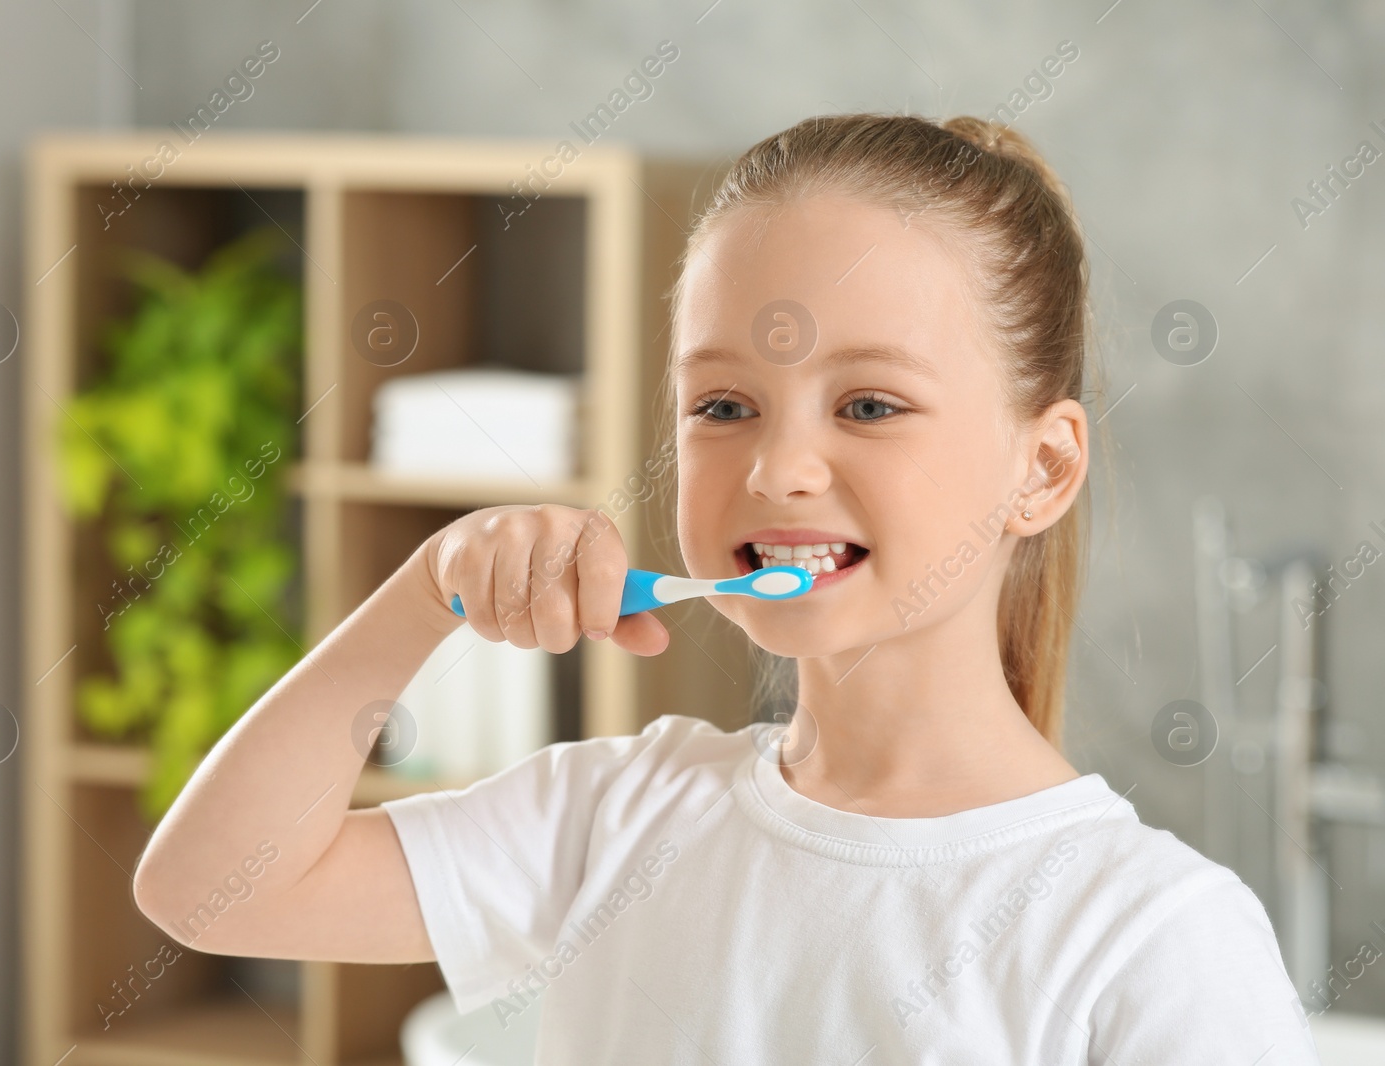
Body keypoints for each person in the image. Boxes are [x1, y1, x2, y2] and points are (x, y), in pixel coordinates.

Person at [132, 113, 1321, 1063]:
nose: (777, 467)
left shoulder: (1147, 935)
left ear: (1043, 464)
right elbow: (208, 891)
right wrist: (419, 595)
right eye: (721, 406)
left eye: (869, 404)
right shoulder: (619, 818)